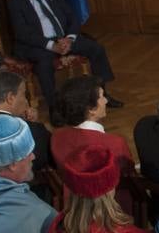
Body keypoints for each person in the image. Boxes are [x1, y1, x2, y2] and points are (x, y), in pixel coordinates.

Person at [4, 0, 120, 115]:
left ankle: (102, 95)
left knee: (96, 49)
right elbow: (23, 33)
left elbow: (72, 17)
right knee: (43, 63)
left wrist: (70, 38)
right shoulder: (16, 3)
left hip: (64, 39)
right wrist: (51, 45)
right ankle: (55, 108)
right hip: (40, 44)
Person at [49, 75, 135, 211]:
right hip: (109, 209)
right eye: (102, 96)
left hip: (72, 206)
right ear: (91, 109)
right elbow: (128, 178)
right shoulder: (114, 143)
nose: (106, 100)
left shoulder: (56, 136)